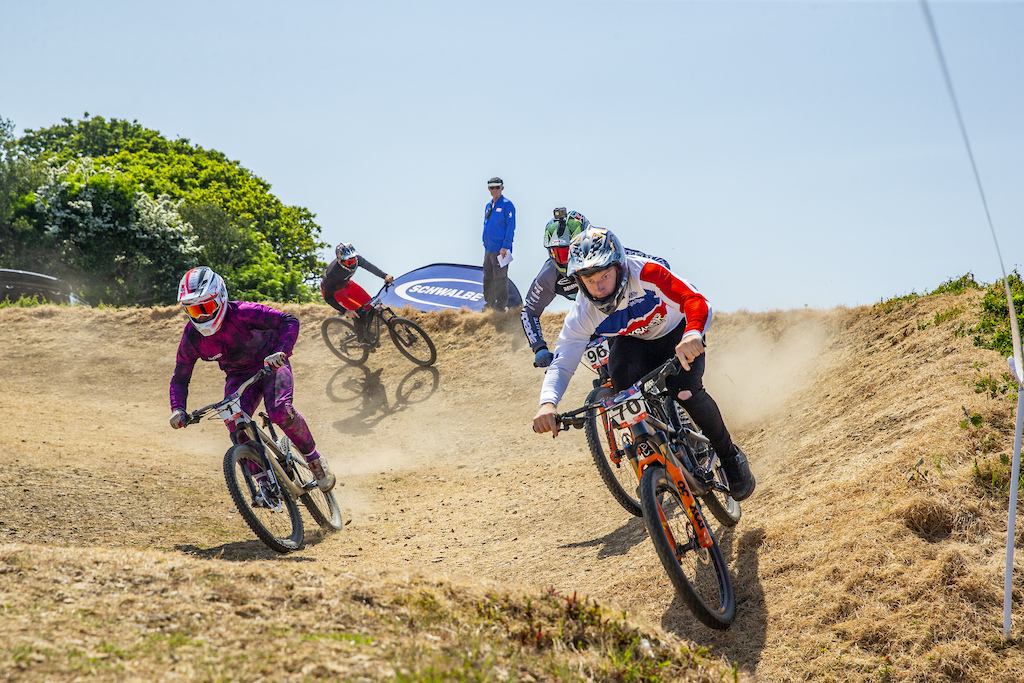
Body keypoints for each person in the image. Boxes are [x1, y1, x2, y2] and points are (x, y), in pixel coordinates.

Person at [530, 226, 755, 501]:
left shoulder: (646, 273)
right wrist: (547, 403)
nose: (599, 287)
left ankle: (729, 456)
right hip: (635, 343)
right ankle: (652, 468)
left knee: (685, 390)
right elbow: (563, 361)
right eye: (589, 280)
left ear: (620, 267)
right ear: (578, 281)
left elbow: (694, 299)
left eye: (605, 276)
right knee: (623, 393)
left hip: (678, 333)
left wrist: (693, 331)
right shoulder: (583, 311)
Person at [168, 267, 336, 492]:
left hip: (271, 364)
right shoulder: (192, 337)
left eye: (206, 307)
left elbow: (289, 321)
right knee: (234, 424)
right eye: (194, 310)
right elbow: (180, 377)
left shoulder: (243, 313)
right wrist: (178, 409)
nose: (202, 316)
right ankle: (262, 481)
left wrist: (282, 351)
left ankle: (314, 459)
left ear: (220, 298)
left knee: (279, 412)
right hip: (238, 376)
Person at [521, 207, 672, 368]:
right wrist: (539, 348)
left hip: (631, 313)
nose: (565, 261)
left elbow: (660, 264)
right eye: (559, 254)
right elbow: (529, 312)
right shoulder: (549, 276)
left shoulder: (611, 253)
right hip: (596, 321)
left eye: (570, 252)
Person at [321, 242, 394, 344]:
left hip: (348, 285)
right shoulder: (331, 274)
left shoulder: (357, 259)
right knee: (358, 313)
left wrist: (385, 275)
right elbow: (328, 298)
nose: (352, 264)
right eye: (348, 263)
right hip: (335, 293)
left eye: (353, 260)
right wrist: (345, 311)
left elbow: (370, 267)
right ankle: (362, 339)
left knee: (371, 305)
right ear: (340, 261)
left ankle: (366, 330)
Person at [482, 176, 515, 311]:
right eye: (492, 187)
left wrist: (505, 246)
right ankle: (489, 304)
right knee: (487, 277)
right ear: (488, 189)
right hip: (488, 249)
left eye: (497, 187)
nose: (495, 190)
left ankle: (500, 307)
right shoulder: (488, 206)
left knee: (500, 278)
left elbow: (510, 226)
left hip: (500, 249)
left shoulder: (507, 204)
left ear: (502, 188)